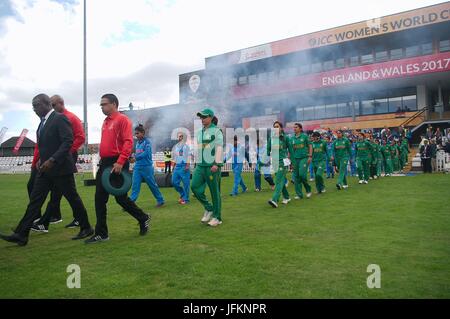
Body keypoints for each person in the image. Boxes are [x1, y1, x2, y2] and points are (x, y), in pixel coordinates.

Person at [0, 94, 93, 246]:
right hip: (46, 170)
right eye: (33, 106)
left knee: (73, 198)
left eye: (36, 105)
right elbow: (46, 146)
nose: (34, 109)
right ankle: (21, 234)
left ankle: (86, 227)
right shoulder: (42, 123)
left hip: (61, 169)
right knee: (35, 201)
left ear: (47, 104)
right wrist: (41, 160)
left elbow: (67, 142)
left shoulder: (60, 118)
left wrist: (52, 160)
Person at [85, 94, 150, 244]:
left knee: (121, 198)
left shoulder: (122, 120)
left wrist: (120, 162)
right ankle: (102, 233)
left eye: (104, 104)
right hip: (105, 163)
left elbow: (128, 142)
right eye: (101, 104)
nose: (102, 107)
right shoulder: (105, 121)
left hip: (117, 163)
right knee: (99, 198)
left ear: (114, 104)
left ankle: (143, 217)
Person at [32, 95, 85, 231]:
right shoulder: (51, 119)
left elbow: (80, 138)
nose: (51, 107)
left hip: (63, 158)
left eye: (53, 105)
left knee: (61, 192)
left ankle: (48, 219)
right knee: (58, 191)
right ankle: (49, 219)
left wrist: (64, 153)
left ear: (61, 103)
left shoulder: (70, 117)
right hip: (54, 158)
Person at [191, 108, 224, 227]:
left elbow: (220, 147)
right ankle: (209, 208)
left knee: (215, 192)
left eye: (204, 117)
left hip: (212, 166)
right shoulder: (199, 132)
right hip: (200, 165)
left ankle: (217, 217)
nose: (202, 119)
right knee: (194, 186)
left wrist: (216, 163)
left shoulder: (216, 131)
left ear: (210, 117)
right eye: (201, 117)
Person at [129, 125, 165, 207]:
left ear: (142, 133)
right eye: (135, 133)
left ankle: (160, 200)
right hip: (137, 167)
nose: (136, 135)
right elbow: (137, 153)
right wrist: (132, 157)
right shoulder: (137, 143)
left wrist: (136, 157)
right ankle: (130, 204)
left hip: (147, 167)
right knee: (135, 185)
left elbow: (146, 153)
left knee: (152, 185)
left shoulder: (147, 142)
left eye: (137, 133)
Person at [267, 121, 291, 208]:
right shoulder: (271, 138)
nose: (276, 128)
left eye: (277, 126)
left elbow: (291, 150)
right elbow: (268, 149)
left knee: (278, 181)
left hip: (283, 162)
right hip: (275, 162)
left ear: (281, 128)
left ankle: (274, 200)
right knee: (280, 181)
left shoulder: (286, 138)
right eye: (274, 127)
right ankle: (287, 197)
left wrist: (292, 162)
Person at [289, 123, 312, 200]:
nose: (294, 128)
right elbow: (291, 150)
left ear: (300, 128)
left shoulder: (305, 136)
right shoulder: (292, 138)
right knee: (296, 177)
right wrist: (291, 160)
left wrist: (310, 156)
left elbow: (310, 146)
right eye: (294, 127)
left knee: (302, 175)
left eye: (296, 127)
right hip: (295, 159)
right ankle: (299, 194)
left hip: (304, 158)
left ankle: (308, 189)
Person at [171, 132, 191, 204]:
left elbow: (188, 156)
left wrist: (187, 165)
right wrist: (173, 166)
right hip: (177, 167)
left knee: (186, 184)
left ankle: (186, 199)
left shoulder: (186, 147)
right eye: (179, 137)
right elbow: (175, 157)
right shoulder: (176, 147)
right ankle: (183, 194)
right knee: (174, 182)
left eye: (181, 137)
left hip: (184, 166)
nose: (180, 138)